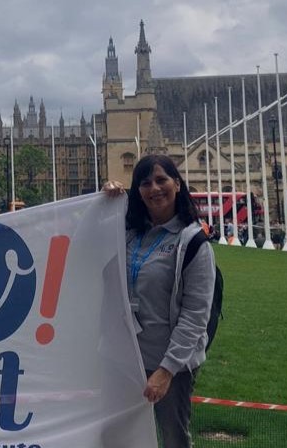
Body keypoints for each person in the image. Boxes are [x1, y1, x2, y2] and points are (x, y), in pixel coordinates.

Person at [104, 154, 215, 448]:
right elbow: (83, 245)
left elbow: (195, 315)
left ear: (177, 184)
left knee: (173, 439)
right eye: (145, 182)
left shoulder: (193, 243)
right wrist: (107, 202)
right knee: (117, 437)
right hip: (127, 360)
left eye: (161, 180)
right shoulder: (128, 234)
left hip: (170, 365)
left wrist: (166, 371)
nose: (154, 188)